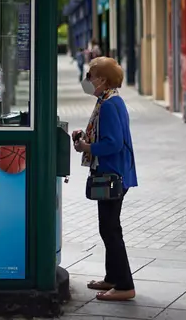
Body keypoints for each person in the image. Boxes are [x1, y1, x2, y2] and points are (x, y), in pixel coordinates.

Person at [72, 57, 137, 302]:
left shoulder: (109, 104)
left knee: (110, 230)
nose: (87, 80)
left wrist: (87, 147)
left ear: (102, 79)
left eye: (90, 75)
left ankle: (124, 285)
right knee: (108, 227)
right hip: (114, 171)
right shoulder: (109, 100)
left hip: (111, 173)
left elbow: (113, 143)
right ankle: (112, 277)